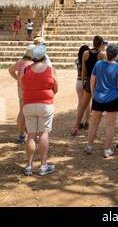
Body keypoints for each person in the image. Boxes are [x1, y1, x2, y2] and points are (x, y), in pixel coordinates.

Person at [20, 45, 58, 176]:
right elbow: (56, 88)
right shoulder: (50, 70)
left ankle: (29, 166)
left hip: (29, 104)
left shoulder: (25, 70)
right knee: (43, 134)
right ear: (44, 56)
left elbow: (23, 85)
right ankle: (43, 165)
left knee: (30, 135)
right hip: (45, 105)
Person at [84, 45, 118, 158]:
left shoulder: (98, 64)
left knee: (93, 123)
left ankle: (89, 146)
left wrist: (93, 95)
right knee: (110, 125)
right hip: (112, 98)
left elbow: (92, 81)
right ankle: (107, 150)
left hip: (98, 97)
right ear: (116, 55)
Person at [71, 36, 107, 136]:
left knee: (83, 105)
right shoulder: (102, 55)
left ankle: (75, 127)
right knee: (97, 107)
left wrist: (83, 82)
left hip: (88, 81)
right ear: (101, 44)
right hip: (98, 83)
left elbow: (83, 70)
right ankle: (93, 130)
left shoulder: (86, 53)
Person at [8, 45, 34, 143]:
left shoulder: (20, 62)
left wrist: (17, 79)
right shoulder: (31, 63)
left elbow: (10, 70)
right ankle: (22, 134)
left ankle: (22, 133)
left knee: (22, 110)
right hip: (28, 89)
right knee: (25, 112)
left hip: (20, 88)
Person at [75, 45, 91, 130]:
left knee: (80, 102)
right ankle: (87, 121)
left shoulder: (77, 60)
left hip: (78, 81)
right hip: (86, 81)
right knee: (87, 103)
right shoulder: (88, 60)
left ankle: (80, 122)